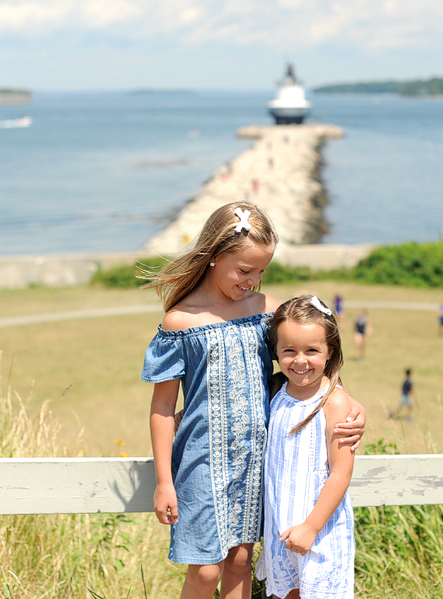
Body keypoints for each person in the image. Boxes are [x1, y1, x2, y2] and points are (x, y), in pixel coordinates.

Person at [141, 202, 366, 599]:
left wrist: (348, 400)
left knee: (242, 560)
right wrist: (163, 481)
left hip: (256, 459)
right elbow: (162, 410)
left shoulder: (266, 311)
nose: (254, 280)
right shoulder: (181, 321)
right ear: (213, 257)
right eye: (245, 270)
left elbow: (308, 363)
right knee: (206, 571)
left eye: (262, 270)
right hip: (200, 462)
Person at [256, 295, 355, 598]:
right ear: (276, 351)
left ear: (330, 351)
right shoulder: (274, 392)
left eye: (312, 350)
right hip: (281, 529)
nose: (300, 360)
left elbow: (340, 473)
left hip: (320, 528)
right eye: (289, 351)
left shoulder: (333, 402)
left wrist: (311, 527)